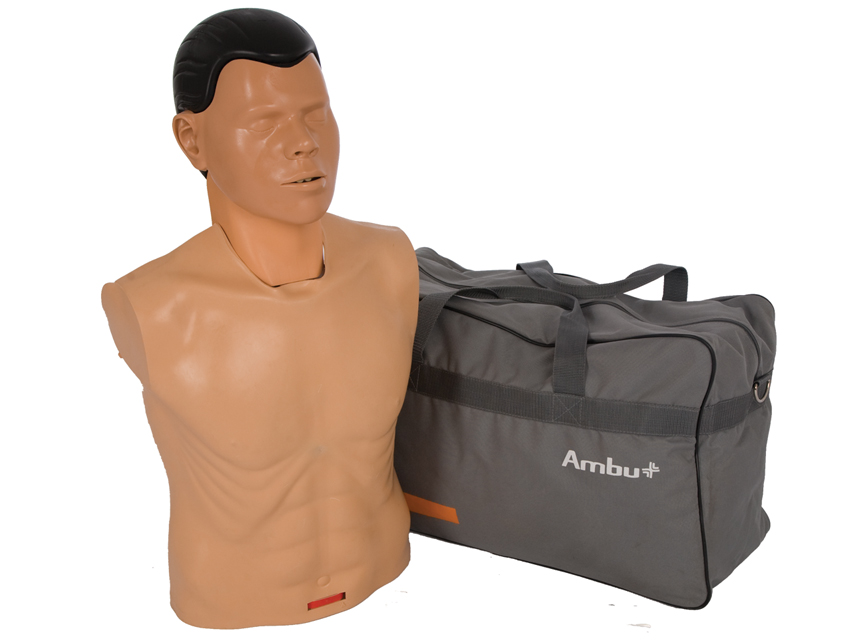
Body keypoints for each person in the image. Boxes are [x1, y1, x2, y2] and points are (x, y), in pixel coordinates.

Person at [101, 8, 419, 629]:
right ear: (192, 140)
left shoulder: (390, 262)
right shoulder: (152, 306)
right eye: (265, 122)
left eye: (316, 113)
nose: (303, 142)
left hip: (389, 578)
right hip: (233, 605)